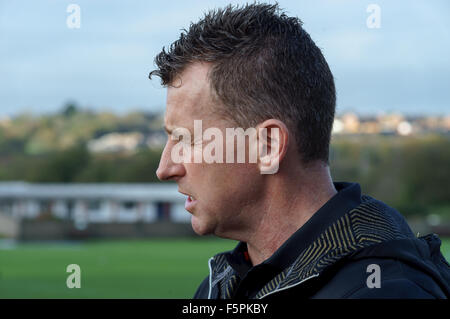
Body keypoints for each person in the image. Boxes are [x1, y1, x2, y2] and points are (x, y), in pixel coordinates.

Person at [150, 3, 450, 299]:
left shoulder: (387, 291)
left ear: (268, 146)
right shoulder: (224, 285)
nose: (165, 168)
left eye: (186, 139)